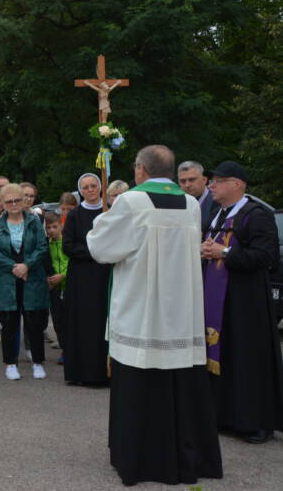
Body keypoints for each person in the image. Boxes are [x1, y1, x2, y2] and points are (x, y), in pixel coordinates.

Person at [88, 145, 222, 486]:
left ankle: (141, 459)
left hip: (143, 312)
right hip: (182, 313)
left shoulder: (132, 201)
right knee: (179, 387)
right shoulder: (191, 204)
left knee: (140, 384)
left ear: (140, 171)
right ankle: (183, 456)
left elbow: (100, 247)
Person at [202, 160, 283, 443]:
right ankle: (225, 416)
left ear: (237, 184)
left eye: (218, 181)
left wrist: (224, 251)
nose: (212, 185)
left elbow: (267, 258)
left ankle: (255, 422)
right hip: (218, 301)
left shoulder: (256, 214)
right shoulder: (217, 213)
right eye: (212, 180)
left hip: (245, 303)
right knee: (225, 356)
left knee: (248, 359)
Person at [0, 184, 50, 381]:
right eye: (9, 201)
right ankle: (11, 364)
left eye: (17, 200)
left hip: (32, 278)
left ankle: (38, 362)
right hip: (7, 279)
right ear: (3, 203)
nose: (14, 204)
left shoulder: (34, 221)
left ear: (23, 201)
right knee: (10, 322)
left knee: (34, 321)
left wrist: (26, 266)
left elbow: (42, 247)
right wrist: (14, 267)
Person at [62, 173, 110, 386]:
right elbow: (68, 246)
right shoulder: (75, 215)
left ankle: (105, 371)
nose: (90, 190)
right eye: (85, 187)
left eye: (93, 186)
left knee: (104, 322)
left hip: (105, 275)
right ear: (79, 190)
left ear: (100, 187)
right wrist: (96, 251)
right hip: (81, 277)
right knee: (83, 323)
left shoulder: (110, 211)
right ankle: (81, 372)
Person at [43, 211, 67, 364]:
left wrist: (63, 275)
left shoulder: (67, 242)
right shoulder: (46, 245)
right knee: (58, 320)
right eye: (48, 228)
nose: (51, 230)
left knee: (70, 319)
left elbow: (72, 262)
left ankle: (72, 349)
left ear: (61, 226)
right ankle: (65, 349)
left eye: (54, 227)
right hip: (54, 288)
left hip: (68, 285)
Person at [178, 160, 218, 231]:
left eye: (192, 180)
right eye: (183, 181)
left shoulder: (217, 202)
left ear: (204, 180)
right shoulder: (175, 203)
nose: (187, 185)